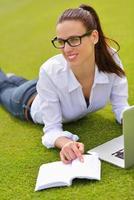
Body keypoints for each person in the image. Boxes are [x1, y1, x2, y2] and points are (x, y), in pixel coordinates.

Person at [0, 4, 129, 164]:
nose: (67, 49)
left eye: (74, 40)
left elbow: (121, 106)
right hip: (27, 101)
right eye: (61, 41)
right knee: (3, 85)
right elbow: (52, 129)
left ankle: (14, 79)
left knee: (18, 82)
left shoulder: (110, 58)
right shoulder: (49, 71)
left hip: (45, 88)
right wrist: (66, 143)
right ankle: (10, 80)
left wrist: (129, 120)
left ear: (94, 37)